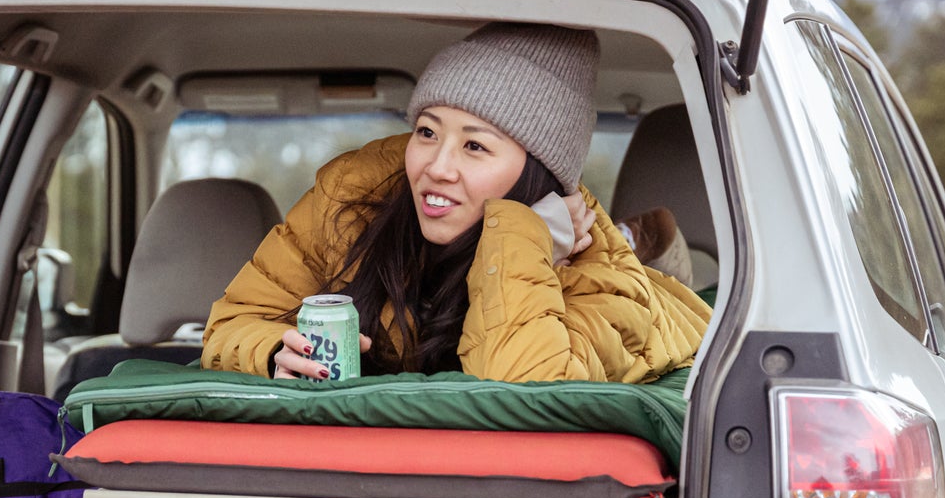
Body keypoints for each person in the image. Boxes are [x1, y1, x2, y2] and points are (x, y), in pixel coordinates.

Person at [201, 23, 711, 384]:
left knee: (650, 289)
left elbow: (524, 384)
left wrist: (526, 235)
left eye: (475, 145)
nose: (435, 167)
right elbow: (232, 324)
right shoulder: (357, 193)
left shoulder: (595, 270)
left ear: (538, 173)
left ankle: (648, 249)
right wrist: (272, 351)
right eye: (426, 131)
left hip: (646, 304)